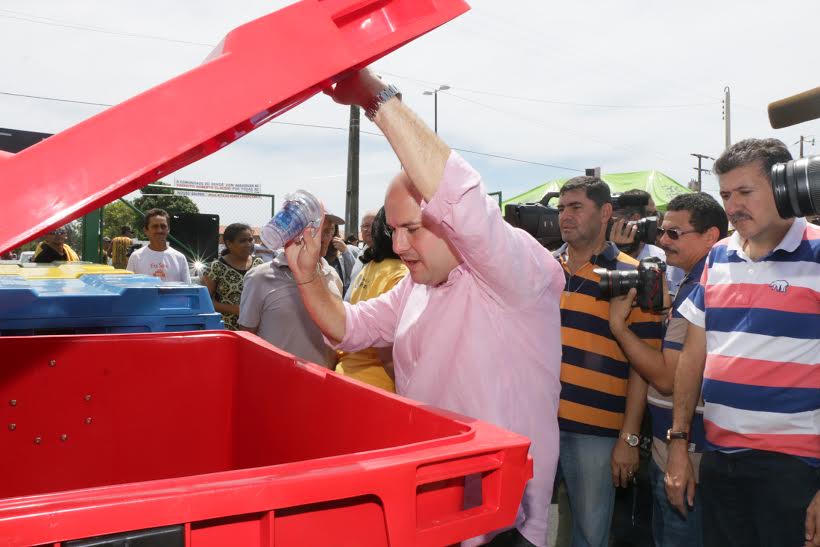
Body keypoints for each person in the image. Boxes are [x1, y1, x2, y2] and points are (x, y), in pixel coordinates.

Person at [284, 68, 564, 547]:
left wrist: (377, 99)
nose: (399, 245)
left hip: (500, 524)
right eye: (392, 230)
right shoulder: (418, 287)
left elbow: (462, 198)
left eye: (413, 228)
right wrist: (308, 277)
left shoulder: (515, 273)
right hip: (431, 507)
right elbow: (348, 327)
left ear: (449, 223)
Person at [666, 138, 820, 547]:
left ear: (786, 187)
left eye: (745, 192)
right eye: (726, 195)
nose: (733, 206)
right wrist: (679, 442)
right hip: (719, 461)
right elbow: (693, 354)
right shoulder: (718, 256)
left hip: (796, 470)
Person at [608, 192, 728, 547]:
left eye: (674, 234)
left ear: (711, 237)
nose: (662, 241)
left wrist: (619, 327)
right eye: (662, 232)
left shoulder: (699, 289)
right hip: (680, 454)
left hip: (687, 460)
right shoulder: (696, 283)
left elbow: (665, 379)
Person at [552, 176, 664, 547]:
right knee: (529, 530)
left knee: (590, 536)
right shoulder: (543, 269)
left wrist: (629, 438)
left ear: (605, 212)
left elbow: (642, 366)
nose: (565, 217)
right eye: (561, 208)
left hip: (597, 434)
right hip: (537, 424)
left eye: (575, 207)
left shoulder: (636, 275)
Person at [239, 214, 343, 367]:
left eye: (329, 231)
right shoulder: (259, 278)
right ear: (295, 234)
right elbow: (247, 336)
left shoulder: (332, 276)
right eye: (317, 231)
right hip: (276, 381)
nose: (324, 238)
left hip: (322, 382)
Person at [335, 207, 407, 392]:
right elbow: (386, 352)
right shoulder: (402, 275)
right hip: (378, 385)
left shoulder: (369, 267)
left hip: (345, 373)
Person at [610, 189, 685, 294]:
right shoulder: (598, 256)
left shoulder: (666, 259)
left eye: (655, 214)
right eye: (649, 213)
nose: (654, 220)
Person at [202, 223, 263, 331]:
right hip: (227, 329)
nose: (248, 244)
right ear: (229, 243)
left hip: (256, 330)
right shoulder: (216, 267)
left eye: (250, 240)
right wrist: (236, 309)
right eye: (242, 241)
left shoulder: (259, 264)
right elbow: (203, 301)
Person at [126, 209, 190, 283]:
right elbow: (129, 287)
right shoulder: (136, 257)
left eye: (163, 226)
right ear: (146, 230)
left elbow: (188, 289)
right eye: (155, 226)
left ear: (168, 229)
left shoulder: (180, 258)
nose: (159, 230)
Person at [344, 210, 378, 301]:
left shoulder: (386, 257)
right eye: (365, 226)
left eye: (374, 225)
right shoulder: (361, 253)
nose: (369, 230)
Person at [323, 218, 358, 295]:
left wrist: (345, 251)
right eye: (325, 229)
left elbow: (355, 275)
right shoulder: (314, 249)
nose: (329, 233)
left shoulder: (341, 250)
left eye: (332, 229)